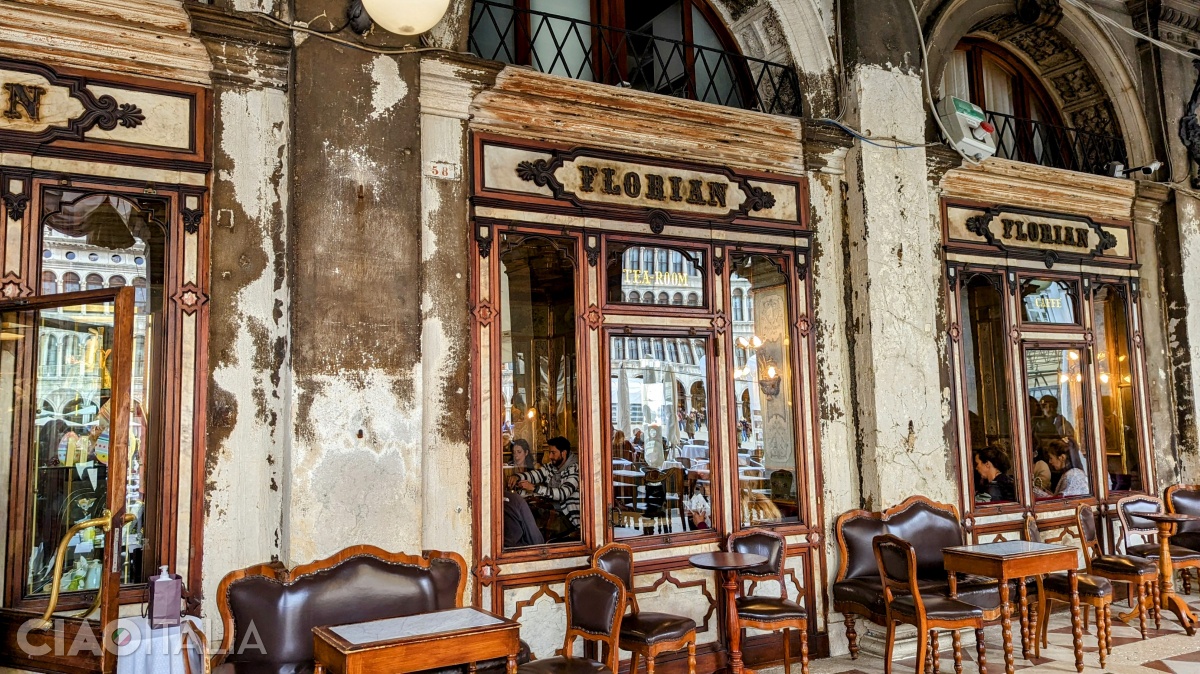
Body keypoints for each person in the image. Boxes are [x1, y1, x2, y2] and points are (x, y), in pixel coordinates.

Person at [506, 436, 580, 531]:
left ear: (564, 453)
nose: (550, 456)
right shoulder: (552, 466)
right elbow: (536, 475)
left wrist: (534, 488)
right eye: (549, 452)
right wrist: (518, 477)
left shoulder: (574, 469)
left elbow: (563, 494)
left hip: (569, 519)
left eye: (553, 453)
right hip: (553, 512)